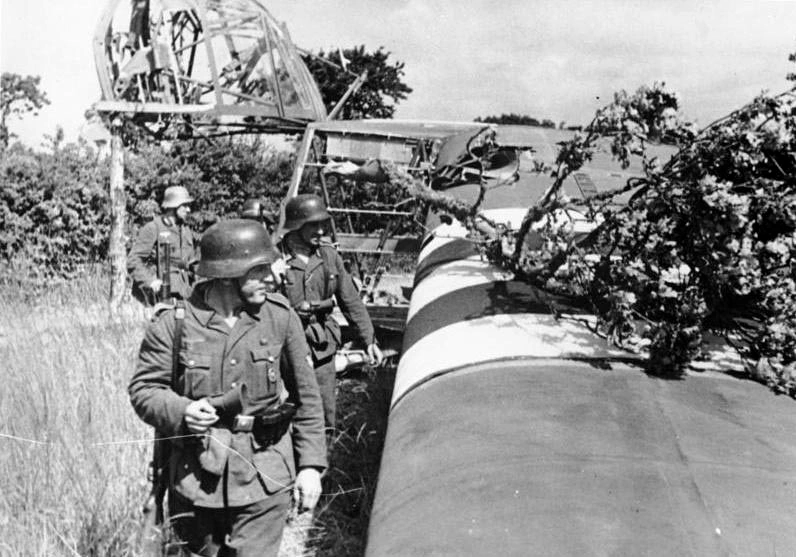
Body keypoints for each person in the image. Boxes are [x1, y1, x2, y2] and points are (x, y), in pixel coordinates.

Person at [129, 219, 326, 557]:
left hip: (265, 476)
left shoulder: (279, 317)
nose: (271, 277)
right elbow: (144, 389)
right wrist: (182, 411)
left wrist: (310, 466)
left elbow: (306, 397)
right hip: (195, 479)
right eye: (258, 269)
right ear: (227, 274)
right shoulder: (174, 324)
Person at [278, 194, 383, 431]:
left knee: (325, 413)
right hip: (285, 349)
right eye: (313, 225)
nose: (321, 231)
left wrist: (369, 339)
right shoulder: (276, 258)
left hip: (321, 345)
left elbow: (350, 301)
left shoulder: (328, 256)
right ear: (296, 225)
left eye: (323, 224)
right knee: (289, 410)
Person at [127, 185, 197, 305]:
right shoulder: (153, 228)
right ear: (173, 206)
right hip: (156, 298)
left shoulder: (185, 230)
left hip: (182, 295)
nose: (188, 210)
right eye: (184, 205)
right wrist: (150, 281)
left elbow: (191, 264)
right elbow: (133, 260)